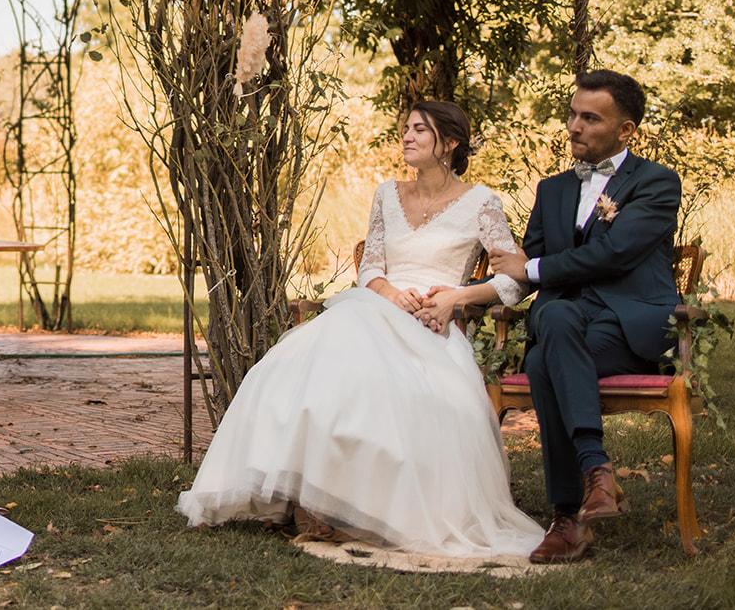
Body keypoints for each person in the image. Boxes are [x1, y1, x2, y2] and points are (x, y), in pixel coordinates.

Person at [177, 101, 545, 558]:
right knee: (305, 361)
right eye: (404, 129)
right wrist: (389, 294)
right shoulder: (387, 194)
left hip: (433, 324)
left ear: (449, 143)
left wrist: (456, 299)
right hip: (375, 307)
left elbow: (514, 278)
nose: (407, 137)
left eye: (419, 130)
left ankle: (359, 507)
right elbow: (370, 265)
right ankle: (310, 496)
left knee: (388, 383)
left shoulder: (481, 202)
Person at [487, 70, 681, 564]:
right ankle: (597, 474)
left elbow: (614, 254)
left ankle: (566, 516)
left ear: (625, 131)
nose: (574, 126)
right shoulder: (551, 190)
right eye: (573, 114)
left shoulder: (656, 182)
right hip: (566, 325)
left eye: (590, 118)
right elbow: (521, 269)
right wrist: (459, 294)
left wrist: (532, 267)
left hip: (624, 324)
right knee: (553, 323)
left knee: (542, 361)